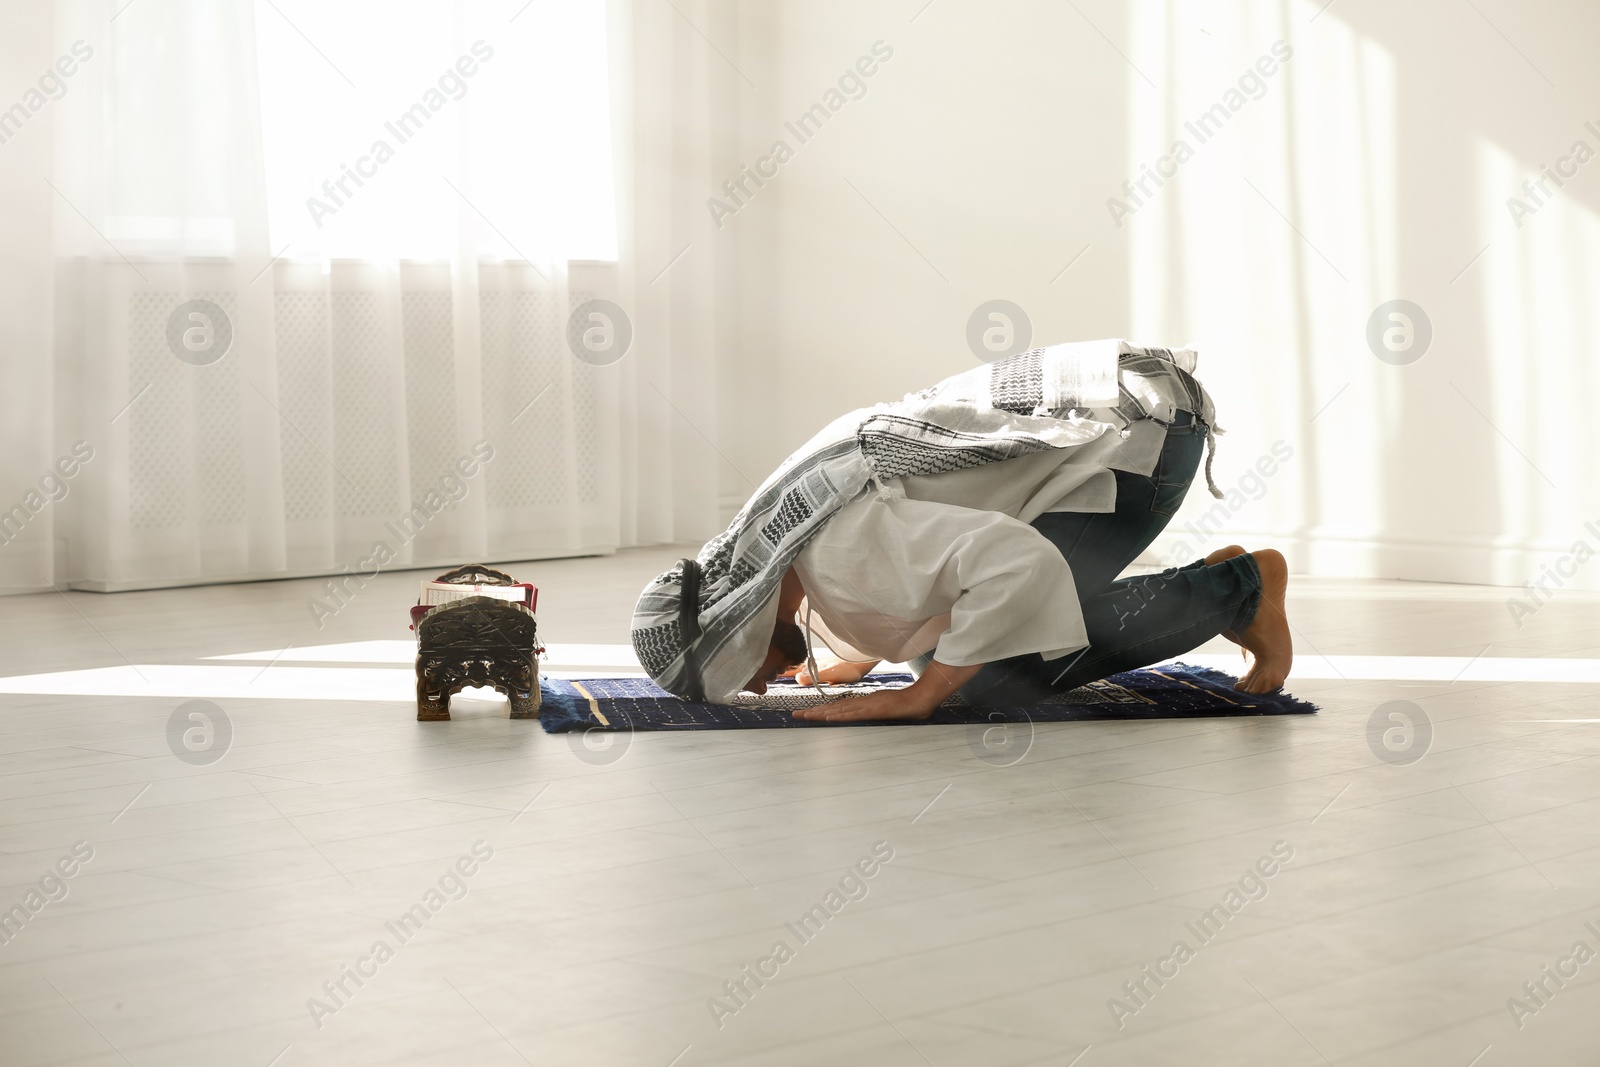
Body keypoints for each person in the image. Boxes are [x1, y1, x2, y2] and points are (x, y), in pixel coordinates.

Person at [630, 341, 1292, 723]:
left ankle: (1239, 589)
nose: (755, 688)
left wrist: (920, 696)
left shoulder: (839, 553)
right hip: (1133, 401)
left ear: (737, 625)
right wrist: (870, 652)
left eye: (740, 671)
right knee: (954, 650)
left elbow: (1015, 565)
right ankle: (1212, 580)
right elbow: (911, 555)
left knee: (986, 681)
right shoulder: (787, 524)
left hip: (1143, 438)